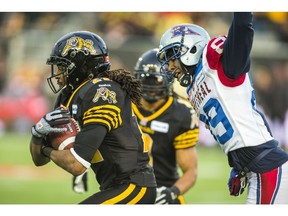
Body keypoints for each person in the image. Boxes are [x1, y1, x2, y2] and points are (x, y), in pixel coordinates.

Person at [156, 12, 288, 204]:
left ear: (191, 48)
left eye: (172, 56)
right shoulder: (194, 88)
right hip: (258, 169)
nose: (169, 66)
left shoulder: (219, 64)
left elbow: (242, 28)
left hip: (266, 169)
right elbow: (250, 120)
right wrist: (239, 166)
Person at [29, 30, 157, 204]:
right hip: (114, 187)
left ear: (79, 66)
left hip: (134, 186)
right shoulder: (68, 96)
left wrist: (45, 149)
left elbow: (77, 165)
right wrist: (37, 137)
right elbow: (39, 161)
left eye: (62, 66)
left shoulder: (102, 92)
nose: (57, 73)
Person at [133, 48, 199, 204]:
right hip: (126, 186)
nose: (151, 86)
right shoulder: (124, 105)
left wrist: (171, 193)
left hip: (163, 188)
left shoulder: (181, 115)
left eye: (156, 80)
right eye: (146, 80)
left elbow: (190, 171)